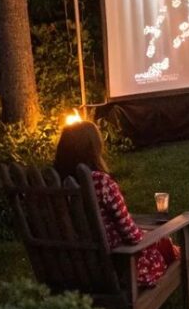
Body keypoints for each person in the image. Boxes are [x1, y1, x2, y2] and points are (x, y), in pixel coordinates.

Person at [54, 120, 179, 288]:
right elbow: (132, 236)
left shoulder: (51, 187)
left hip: (69, 269)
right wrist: (151, 236)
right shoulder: (101, 182)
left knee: (163, 245)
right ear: (93, 149)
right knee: (166, 246)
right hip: (113, 268)